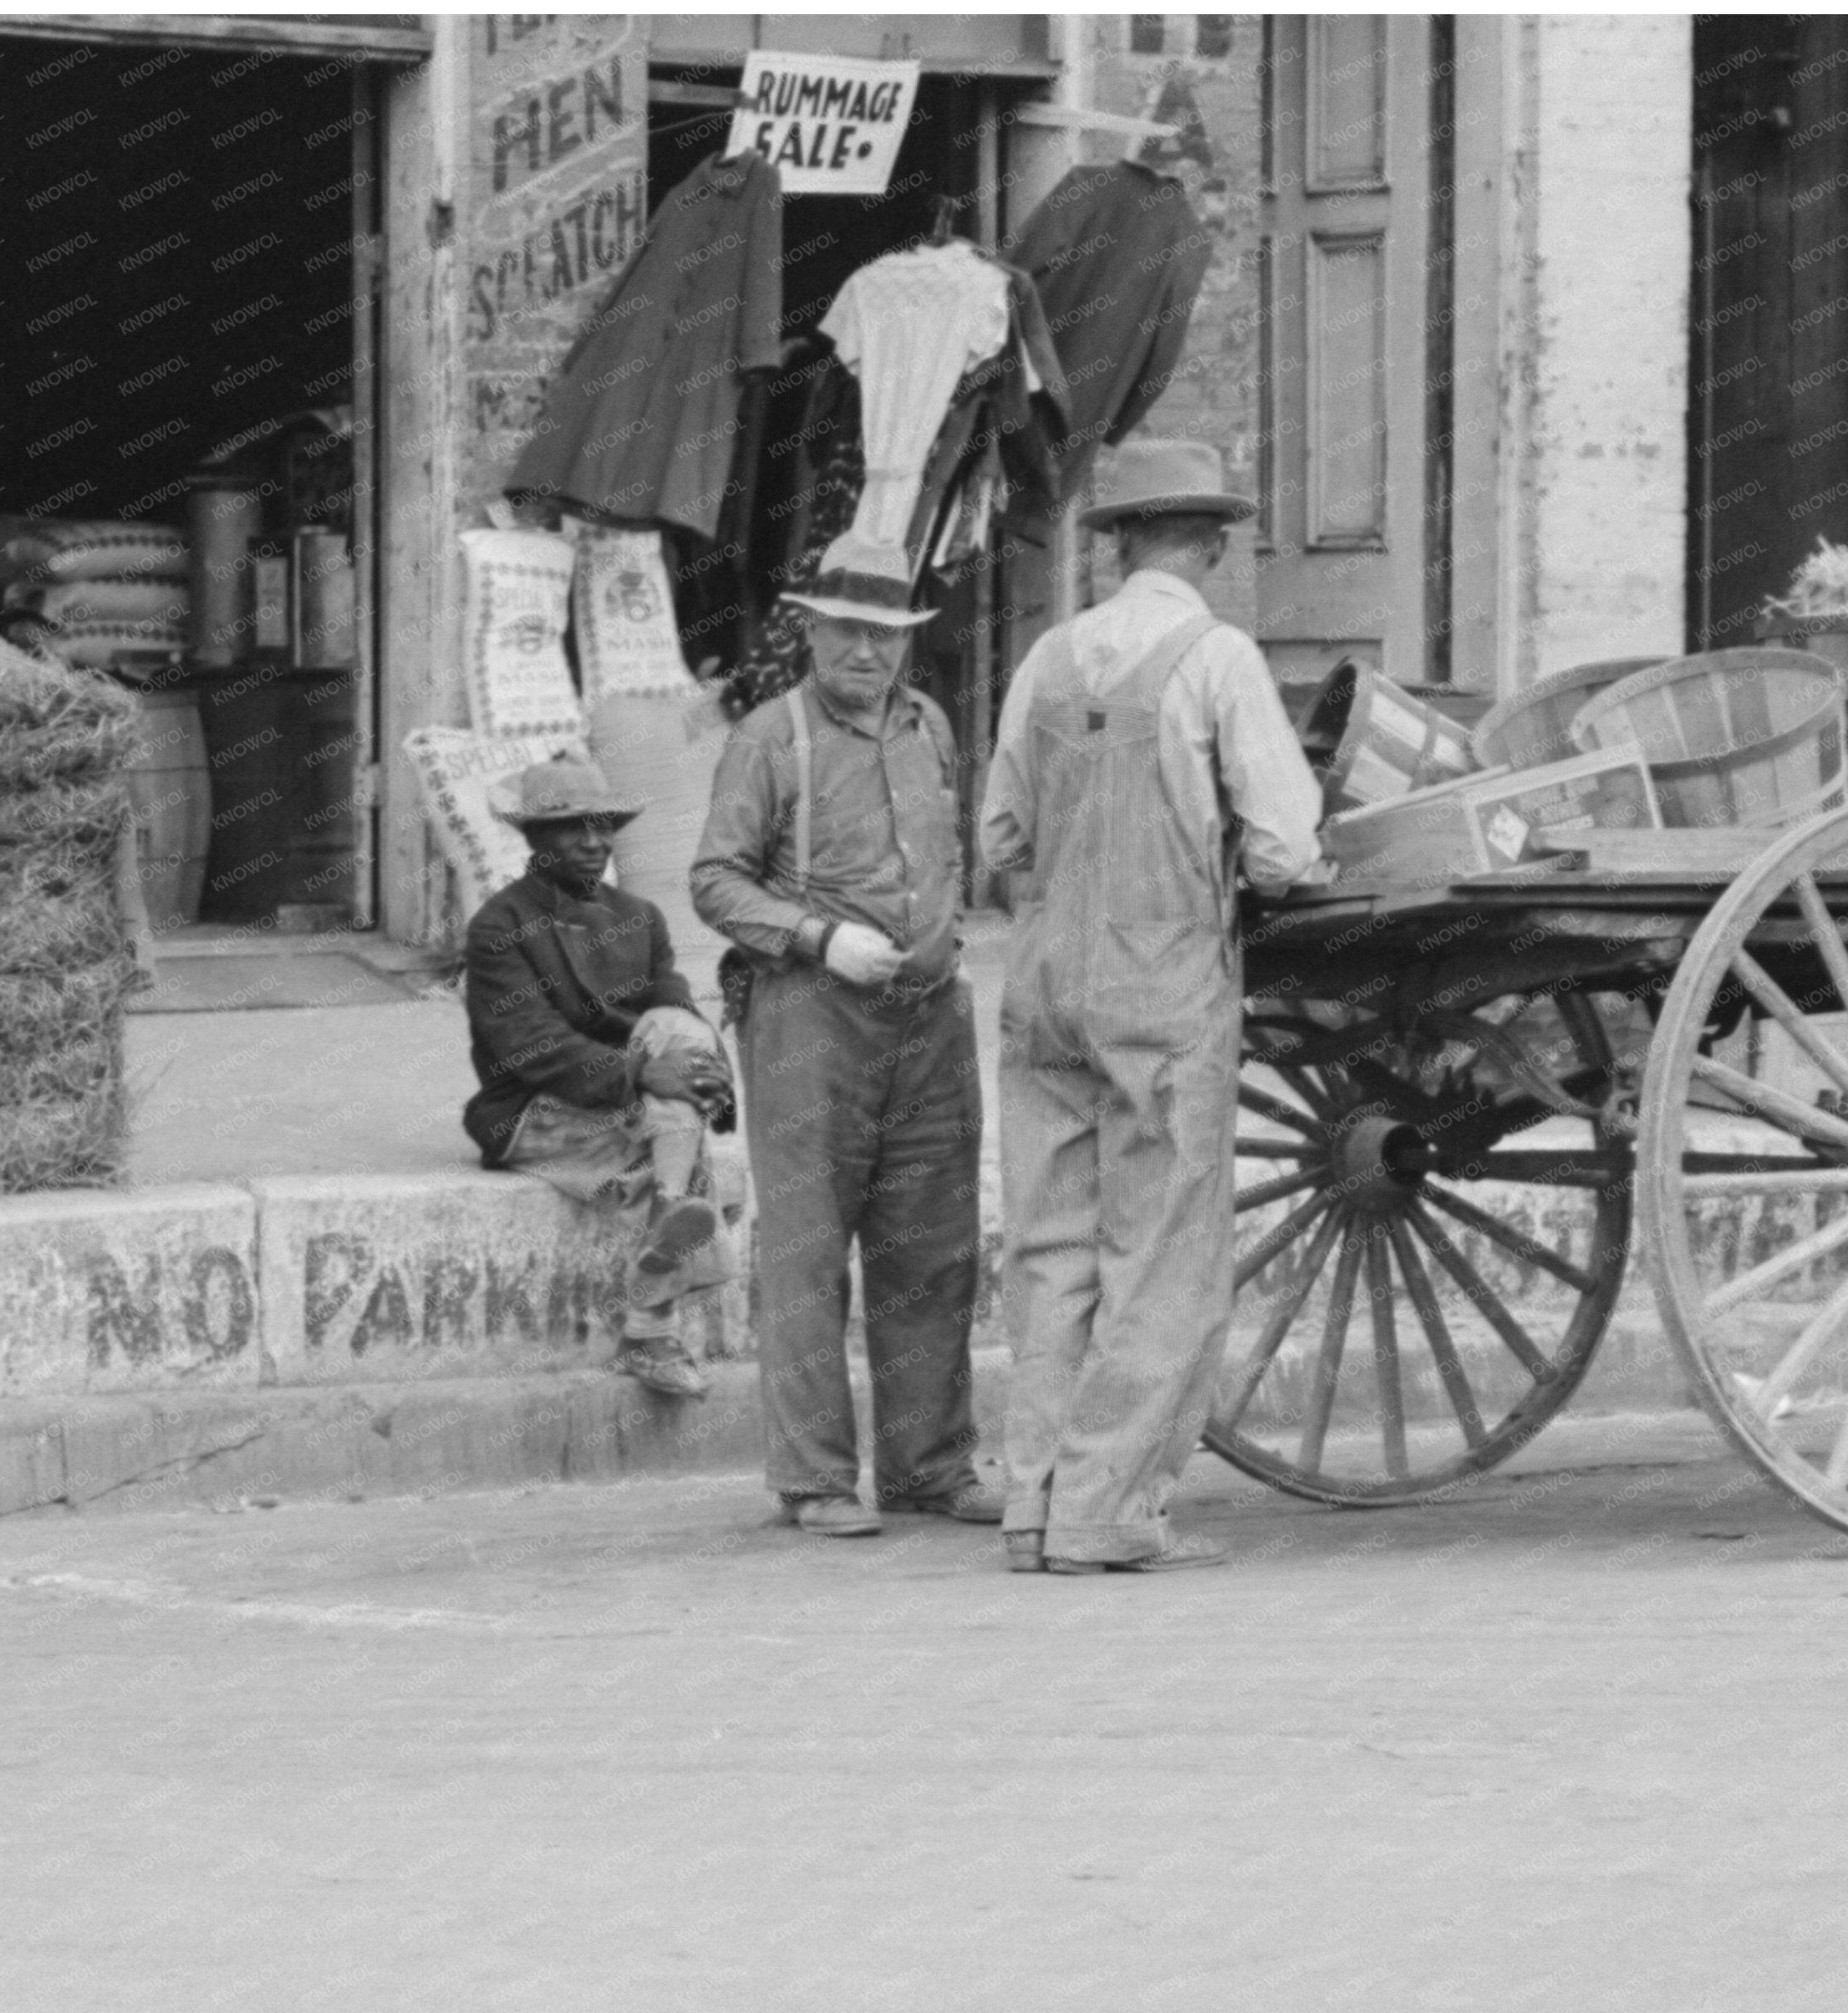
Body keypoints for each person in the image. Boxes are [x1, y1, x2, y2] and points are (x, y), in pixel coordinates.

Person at [977, 437, 1331, 1576]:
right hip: (1161, 981)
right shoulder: (1217, 658)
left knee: (1050, 1248)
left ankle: (1032, 1504)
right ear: (1212, 544)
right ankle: (1108, 1510)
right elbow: (1283, 848)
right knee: (1162, 1251)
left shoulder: (1048, 657)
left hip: (1043, 982)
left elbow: (999, 836)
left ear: (1119, 543)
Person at [690, 533, 1001, 1539]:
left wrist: (940, 945)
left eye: (885, 633)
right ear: (812, 631)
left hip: (930, 1016)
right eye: (847, 631)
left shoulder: (929, 726)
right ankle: (813, 1479)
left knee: (933, 1247)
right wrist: (820, 938)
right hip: (808, 1016)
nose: (865, 651)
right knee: (807, 1250)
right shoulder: (767, 738)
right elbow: (714, 881)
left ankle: (929, 1467)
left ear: (908, 638)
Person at [463, 759, 738, 1401]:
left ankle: (662, 1250)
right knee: (677, 1146)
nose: (594, 841)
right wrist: (641, 1072)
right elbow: (530, 1043)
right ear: (534, 837)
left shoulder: (640, 916)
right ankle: (653, 1318)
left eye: (604, 826)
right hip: (539, 1104)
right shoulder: (500, 925)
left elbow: (674, 1005)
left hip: (632, 1101)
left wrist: (706, 1073)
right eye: (573, 828)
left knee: (679, 1047)